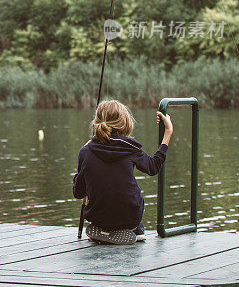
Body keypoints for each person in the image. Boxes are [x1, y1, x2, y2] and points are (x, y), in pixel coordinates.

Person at [73, 99, 173, 245]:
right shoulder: (130, 148)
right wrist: (168, 133)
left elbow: (78, 193)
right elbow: (153, 167)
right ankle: (135, 229)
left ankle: (104, 229)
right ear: (124, 122)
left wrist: (82, 158)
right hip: (130, 218)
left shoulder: (86, 151)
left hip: (97, 218)